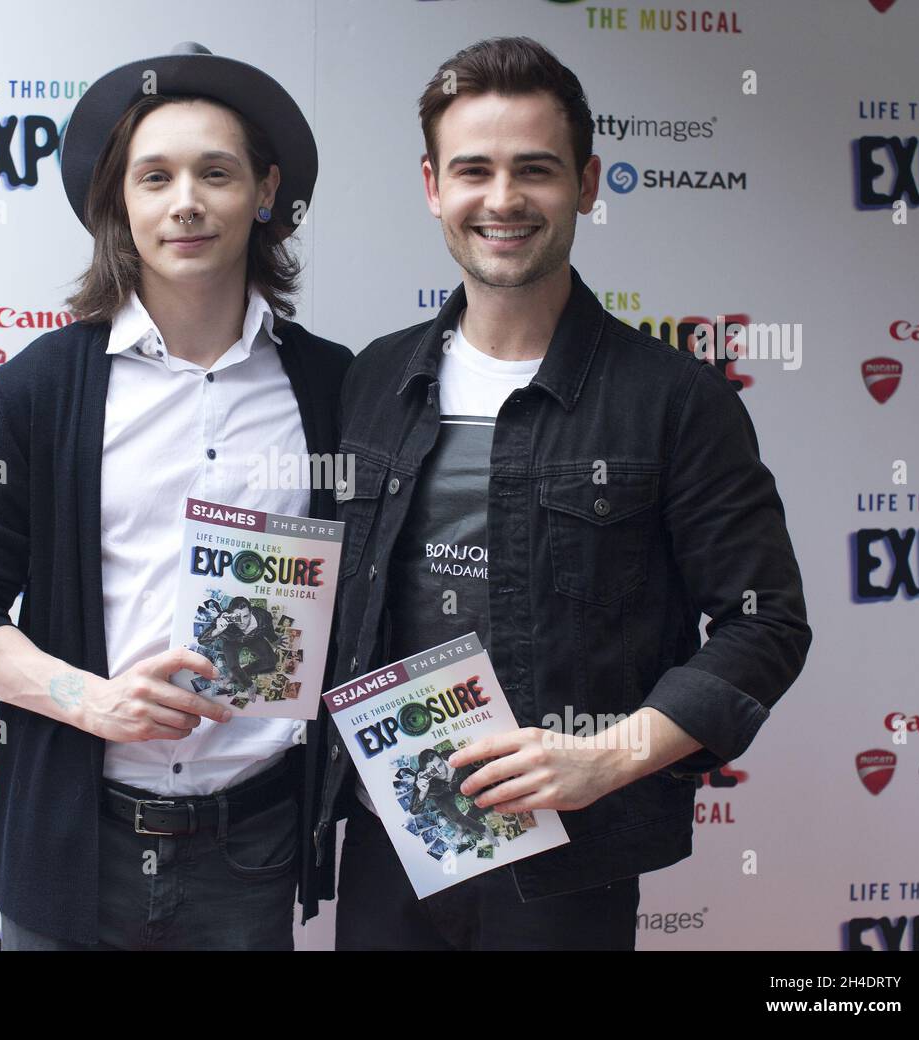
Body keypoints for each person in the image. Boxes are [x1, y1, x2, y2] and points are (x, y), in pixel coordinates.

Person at [310, 36, 811, 951]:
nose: (501, 200)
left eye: (534, 170)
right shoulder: (372, 382)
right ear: (432, 187)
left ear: (586, 183)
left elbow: (764, 623)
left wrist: (605, 758)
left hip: (571, 862)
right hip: (389, 840)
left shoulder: (673, 399)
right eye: (474, 170)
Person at [0, 42, 350, 951]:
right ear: (120, 204)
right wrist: (86, 698)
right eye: (155, 176)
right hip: (76, 846)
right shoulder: (40, 389)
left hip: (256, 846)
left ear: (264, 194)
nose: (185, 200)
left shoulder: (336, 390)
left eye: (214, 173)